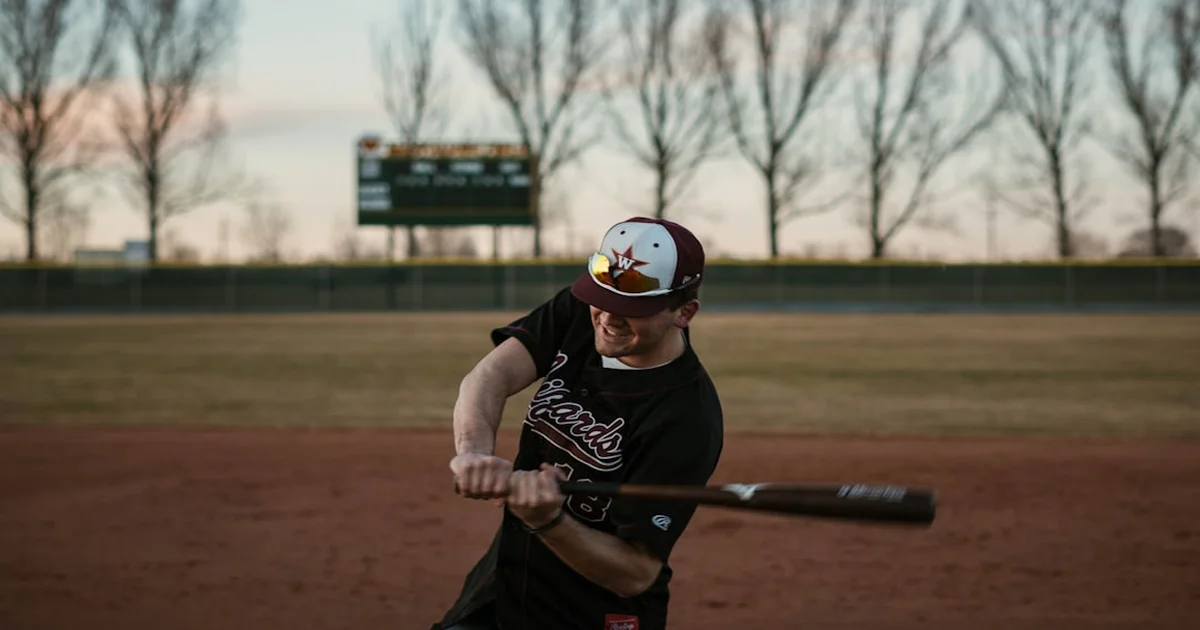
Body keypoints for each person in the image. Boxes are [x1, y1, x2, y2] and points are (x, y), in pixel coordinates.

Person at [430, 216, 725, 630]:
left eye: (632, 310)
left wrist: (548, 520)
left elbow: (636, 572)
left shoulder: (687, 419)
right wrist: (474, 452)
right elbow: (489, 377)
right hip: (504, 589)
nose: (607, 317)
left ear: (684, 312)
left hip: (589, 614)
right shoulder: (581, 311)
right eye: (601, 298)